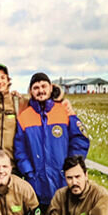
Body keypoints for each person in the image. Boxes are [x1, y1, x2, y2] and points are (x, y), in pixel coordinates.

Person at [14, 72, 90, 208]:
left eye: (44, 86)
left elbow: (80, 139)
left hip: (63, 181)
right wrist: (29, 173)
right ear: (31, 92)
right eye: (36, 88)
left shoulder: (64, 111)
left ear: (50, 88)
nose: (40, 90)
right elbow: (20, 149)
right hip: (37, 183)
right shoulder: (24, 117)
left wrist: (71, 166)